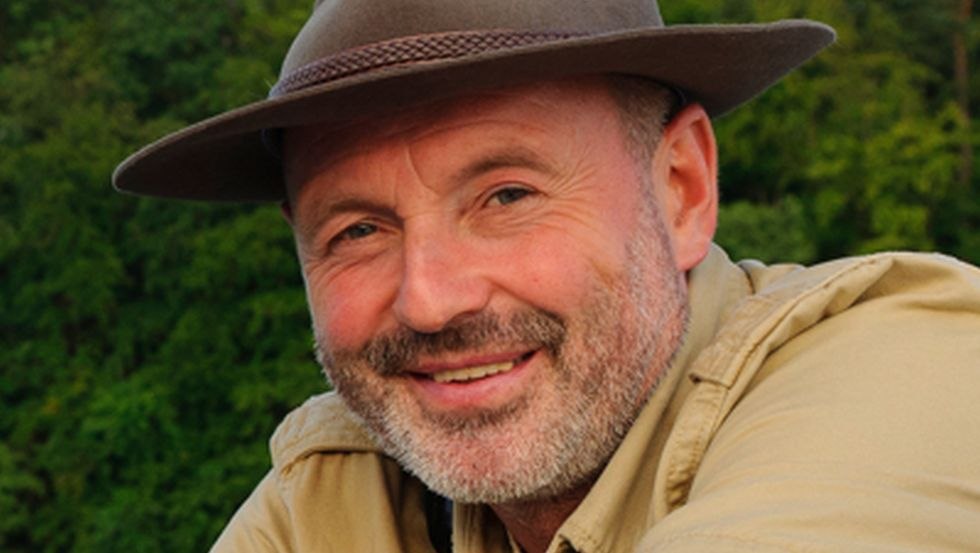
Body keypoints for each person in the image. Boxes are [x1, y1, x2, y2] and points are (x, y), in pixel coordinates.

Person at [113, 0, 980, 551]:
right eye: (359, 230)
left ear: (681, 189)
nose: (431, 297)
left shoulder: (909, 363)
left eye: (507, 194)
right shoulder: (339, 487)